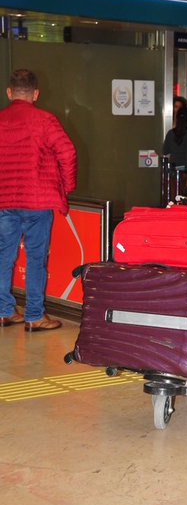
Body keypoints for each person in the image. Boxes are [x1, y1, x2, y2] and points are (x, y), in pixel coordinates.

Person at [0, 69, 77, 331]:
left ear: (9, 92)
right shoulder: (45, 120)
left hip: (4, 200)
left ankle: (4, 311)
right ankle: (34, 315)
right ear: (35, 93)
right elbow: (67, 152)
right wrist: (66, 186)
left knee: (3, 256)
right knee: (35, 258)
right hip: (37, 200)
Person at [163, 106, 187, 190]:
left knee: (173, 192)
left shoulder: (170, 133)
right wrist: (186, 170)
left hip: (173, 168)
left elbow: (165, 151)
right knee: (186, 193)